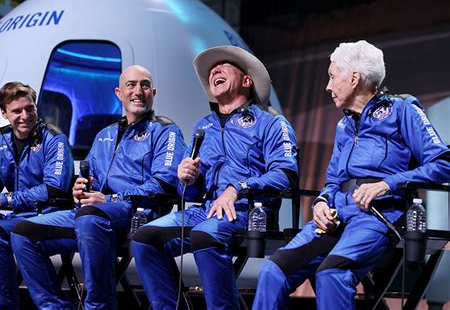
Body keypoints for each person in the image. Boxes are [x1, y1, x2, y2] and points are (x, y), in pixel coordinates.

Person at [252, 40, 450, 310]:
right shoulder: (344, 125)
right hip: (339, 212)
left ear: (354, 78)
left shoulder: (403, 110)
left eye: (333, 77)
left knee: (331, 274)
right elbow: (333, 180)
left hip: (379, 215)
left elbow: (443, 163)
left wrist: (386, 184)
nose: (328, 86)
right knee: (272, 272)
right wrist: (322, 202)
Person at [131, 45, 299, 309]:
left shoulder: (271, 123)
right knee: (144, 238)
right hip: (207, 211)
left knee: (204, 235)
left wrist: (239, 188)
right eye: (211, 70)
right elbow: (193, 193)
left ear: (247, 80)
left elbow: (285, 174)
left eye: (224, 65)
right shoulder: (203, 126)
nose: (214, 70)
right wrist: (189, 178)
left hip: (247, 211)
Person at [11, 65, 186, 309]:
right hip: (92, 213)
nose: (138, 91)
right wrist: (79, 188)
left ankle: (98, 306)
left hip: (136, 212)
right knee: (22, 232)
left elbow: (163, 184)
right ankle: (53, 307)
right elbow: (89, 177)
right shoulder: (105, 134)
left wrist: (111, 199)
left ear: (153, 92)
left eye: (145, 85)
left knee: (90, 217)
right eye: (131, 85)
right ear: (118, 93)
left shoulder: (165, 130)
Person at [0, 81, 74, 309]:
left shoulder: (54, 139)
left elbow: (54, 189)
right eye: (17, 111)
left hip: (49, 218)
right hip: (18, 219)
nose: (25, 116)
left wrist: (2, 199)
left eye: (29, 108)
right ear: (4, 113)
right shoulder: (0, 144)